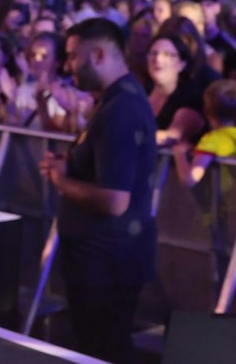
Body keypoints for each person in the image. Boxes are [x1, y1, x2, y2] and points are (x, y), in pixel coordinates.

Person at [41, 18, 158, 362]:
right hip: (106, 259)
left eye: (74, 56)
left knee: (103, 350)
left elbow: (114, 200)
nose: (67, 65)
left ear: (100, 54)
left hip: (106, 263)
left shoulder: (120, 109)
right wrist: (71, 164)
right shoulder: (117, 100)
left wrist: (61, 180)